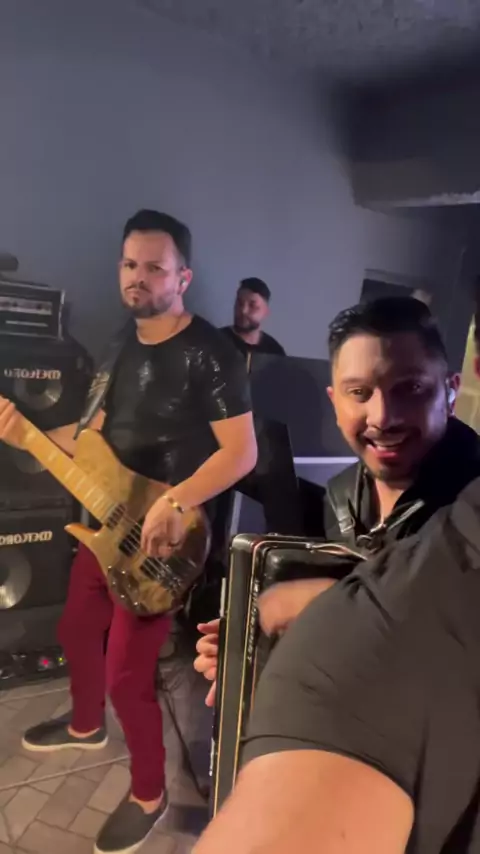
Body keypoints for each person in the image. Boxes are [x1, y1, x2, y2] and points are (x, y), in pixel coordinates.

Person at [0, 209, 257, 854]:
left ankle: (149, 793)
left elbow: (242, 453)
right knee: (75, 631)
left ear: (183, 277)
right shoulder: (120, 342)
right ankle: (86, 726)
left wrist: (176, 498)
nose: (137, 278)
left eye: (154, 268)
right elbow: (90, 436)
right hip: (104, 523)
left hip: (163, 543)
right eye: (129, 264)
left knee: (127, 677)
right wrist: (25, 434)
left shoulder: (210, 351)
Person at [192, 306, 480, 854]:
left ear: (449, 390)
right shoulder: (341, 495)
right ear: (334, 399)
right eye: (359, 392)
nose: (382, 416)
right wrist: (250, 652)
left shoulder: (470, 510)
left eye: (410, 389)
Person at [221, 278, 286, 360]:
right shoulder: (216, 340)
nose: (243, 311)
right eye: (240, 303)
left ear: (265, 312)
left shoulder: (275, 352)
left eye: (252, 306)